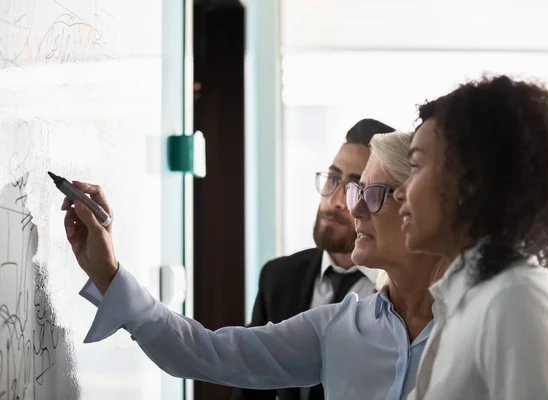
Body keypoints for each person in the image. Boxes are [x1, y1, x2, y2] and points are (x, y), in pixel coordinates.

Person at [61, 131, 443, 400]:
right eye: (351, 189)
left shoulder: (478, 323)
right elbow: (208, 353)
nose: (353, 207)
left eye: (372, 193)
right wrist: (109, 275)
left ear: (421, 207)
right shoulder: (337, 328)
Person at [395, 75, 548, 399]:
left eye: (416, 166)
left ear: (471, 180)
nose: (400, 192)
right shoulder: (469, 300)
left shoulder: (518, 299)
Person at [232, 118, 394, 400]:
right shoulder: (279, 276)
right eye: (333, 179)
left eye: (355, 187)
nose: (336, 201)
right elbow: (250, 383)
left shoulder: (399, 291)